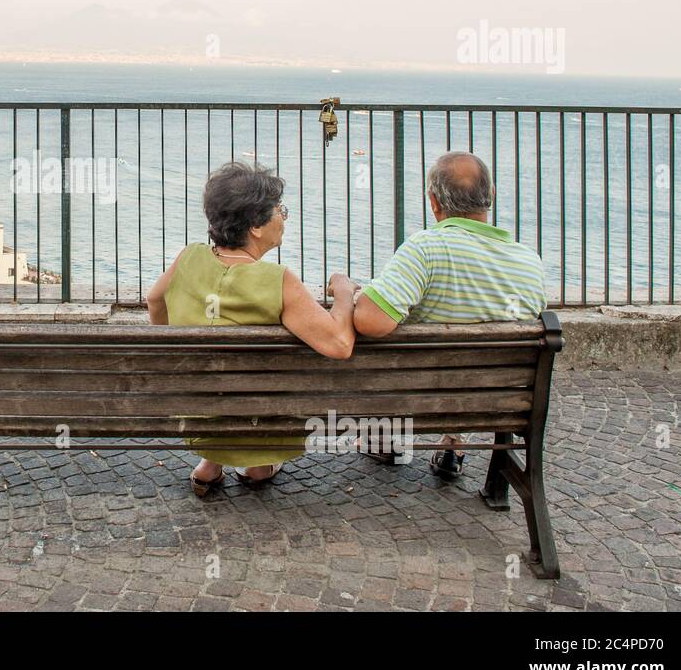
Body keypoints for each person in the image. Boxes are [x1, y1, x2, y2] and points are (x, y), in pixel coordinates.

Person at [147, 162, 357, 497]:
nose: (284, 217)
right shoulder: (278, 280)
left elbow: (154, 299)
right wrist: (344, 292)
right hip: (261, 421)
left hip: (200, 417)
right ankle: (259, 463)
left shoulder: (188, 258)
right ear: (256, 227)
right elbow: (340, 345)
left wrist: (173, 344)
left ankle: (210, 464)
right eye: (279, 210)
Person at [351, 151, 547, 478]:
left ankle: (381, 434)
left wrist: (351, 293)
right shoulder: (530, 262)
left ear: (433, 201)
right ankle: (454, 443)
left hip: (421, 399)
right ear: (491, 196)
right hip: (498, 401)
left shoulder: (426, 250)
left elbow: (369, 320)